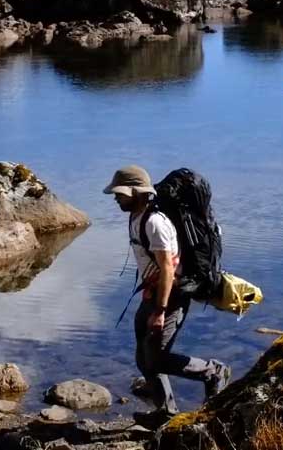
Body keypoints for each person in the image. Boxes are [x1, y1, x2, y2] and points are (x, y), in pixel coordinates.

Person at [103, 165, 229, 416]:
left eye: (120, 194)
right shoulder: (136, 215)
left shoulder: (155, 223)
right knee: (144, 359)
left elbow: (168, 269)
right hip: (152, 294)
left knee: (157, 359)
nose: (115, 198)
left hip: (171, 296)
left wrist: (160, 311)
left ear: (136, 192)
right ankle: (165, 412)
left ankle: (213, 372)